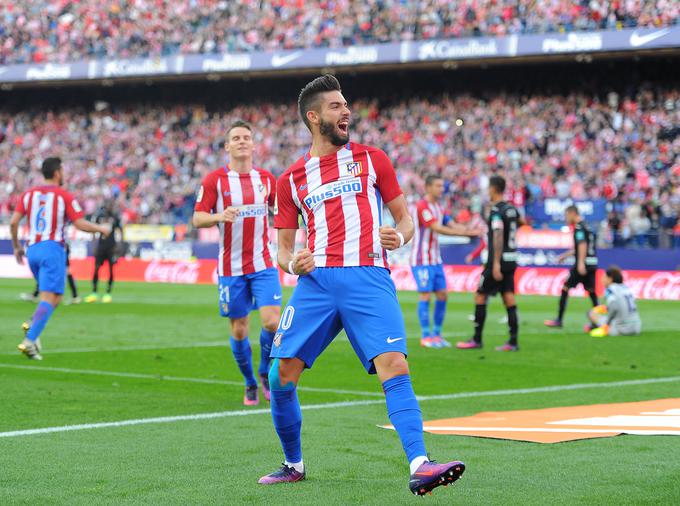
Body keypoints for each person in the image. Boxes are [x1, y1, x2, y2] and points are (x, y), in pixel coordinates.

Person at [258, 75, 464, 496]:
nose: (346, 111)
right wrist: (293, 262)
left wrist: (401, 236)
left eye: (346, 104)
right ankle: (293, 464)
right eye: (335, 106)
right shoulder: (292, 179)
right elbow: (281, 250)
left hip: (369, 276)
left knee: (396, 366)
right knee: (280, 377)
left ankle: (421, 464)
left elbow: (405, 220)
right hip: (315, 284)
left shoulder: (373, 159)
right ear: (313, 117)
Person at [192, 120, 281, 406]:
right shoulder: (215, 180)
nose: (242, 141)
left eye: (246, 137)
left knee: (272, 322)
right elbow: (197, 218)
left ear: (254, 145)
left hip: (264, 263)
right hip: (231, 268)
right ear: (228, 146)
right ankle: (250, 382)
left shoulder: (267, 179)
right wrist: (220, 216)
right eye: (236, 138)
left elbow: (281, 214)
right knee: (240, 329)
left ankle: (265, 372)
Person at [10, 157, 110, 360]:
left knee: (54, 298)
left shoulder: (28, 194)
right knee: (50, 298)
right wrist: (101, 228)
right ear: (57, 173)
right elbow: (80, 223)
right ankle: (29, 340)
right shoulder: (64, 195)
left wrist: (16, 247)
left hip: (32, 250)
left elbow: (13, 223)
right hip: (52, 249)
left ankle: (33, 326)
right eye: (62, 170)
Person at [411, 174, 480, 348]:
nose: (441, 189)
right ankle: (426, 335)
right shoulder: (422, 206)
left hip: (435, 259)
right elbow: (436, 227)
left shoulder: (439, 207)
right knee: (425, 294)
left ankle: (437, 334)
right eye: (438, 186)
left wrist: (468, 229)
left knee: (443, 295)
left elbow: (450, 223)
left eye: (442, 186)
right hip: (421, 260)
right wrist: (464, 233)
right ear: (428, 187)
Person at [457, 175, 520, 352]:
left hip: (497, 261)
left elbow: (498, 235)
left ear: (493, 188)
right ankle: (513, 341)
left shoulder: (496, 211)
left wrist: (496, 263)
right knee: (508, 296)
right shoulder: (511, 209)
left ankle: (477, 339)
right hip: (512, 258)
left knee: (480, 295)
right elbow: (520, 223)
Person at [544, 205, 599, 328]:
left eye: (566, 215)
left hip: (583, 264)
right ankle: (599, 321)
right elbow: (579, 247)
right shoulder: (587, 226)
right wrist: (564, 256)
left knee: (565, 288)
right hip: (592, 262)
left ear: (572, 213)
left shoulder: (579, 228)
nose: (566, 218)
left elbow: (582, 245)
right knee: (592, 292)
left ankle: (559, 320)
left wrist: (580, 263)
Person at [587, 265, 642, 337]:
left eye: (604, 277)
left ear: (610, 279)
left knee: (590, 313)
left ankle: (594, 326)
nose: (602, 279)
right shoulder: (626, 288)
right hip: (636, 328)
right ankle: (594, 326)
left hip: (621, 329)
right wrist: (607, 308)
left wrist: (607, 324)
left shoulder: (611, 289)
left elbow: (614, 307)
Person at [85, 201, 123, 303]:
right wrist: (93, 244)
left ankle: (108, 294)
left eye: (111, 206)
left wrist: (119, 246)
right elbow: (93, 230)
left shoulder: (115, 218)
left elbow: (120, 231)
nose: (109, 208)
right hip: (101, 247)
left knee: (111, 270)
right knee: (96, 269)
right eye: (108, 206)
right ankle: (94, 293)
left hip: (111, 247)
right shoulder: (99, 218)